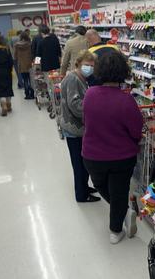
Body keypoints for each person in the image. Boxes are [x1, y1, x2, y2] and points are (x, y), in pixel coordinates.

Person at [82, 51, 142, 244]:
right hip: (121, 157)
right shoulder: (127, 101)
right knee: (118, 192)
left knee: (101, 187)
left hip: (92, 156)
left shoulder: (90, 94)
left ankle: (121, 212)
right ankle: (115, 231)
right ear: (123, 72)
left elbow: (87, 121)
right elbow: (135, 131)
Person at [60, 50, 101, 203]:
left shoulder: (82, 78)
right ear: (78, 64)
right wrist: (93, 111)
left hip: (78, 128)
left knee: (83, 163)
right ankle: (81, 195)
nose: (89, 68)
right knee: (79, 164)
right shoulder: (73, 79)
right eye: (86, 65)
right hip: (74, 129)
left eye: (91, 65)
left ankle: (84, 186)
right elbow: (75, 105)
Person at [14, 30, 35, 99]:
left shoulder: (17, 45)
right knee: (31, 80)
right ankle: (32, 94)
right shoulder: (30, 44)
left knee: (25, 80)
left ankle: (27, 94)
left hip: (21, 65)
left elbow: (15, 56)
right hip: (30, 64)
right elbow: (33, 54)